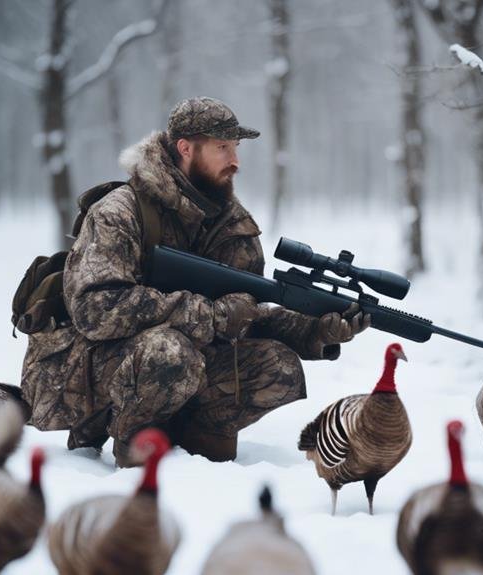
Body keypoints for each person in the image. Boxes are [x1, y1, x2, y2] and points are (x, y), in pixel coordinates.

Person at [21, 96, 370, 467]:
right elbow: (95, 309)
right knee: (170, 352)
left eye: (236, 148)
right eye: (222, 148)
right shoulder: (120, 212)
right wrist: (210, 314)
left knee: (277, 366)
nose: (235, 161)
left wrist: (315, 331)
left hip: (181, 365)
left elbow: (247, 315)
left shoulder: (234, 226)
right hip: (86, 368)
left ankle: (195, 443)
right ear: (185, 148)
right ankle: (133, 443)